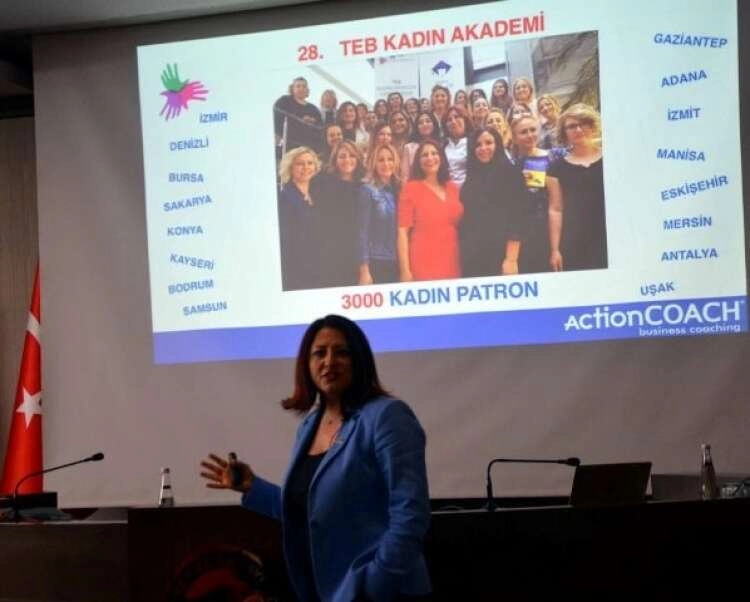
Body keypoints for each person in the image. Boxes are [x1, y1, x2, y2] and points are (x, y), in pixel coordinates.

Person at [200, 314, 431, 602]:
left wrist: (375, 583)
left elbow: (411, 513)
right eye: (319, 353)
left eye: (341, 352)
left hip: (379, 592)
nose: (329, 362)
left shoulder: (387, 416)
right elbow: (313, 512)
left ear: (359, 360)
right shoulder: (309, 426)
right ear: (306, 365)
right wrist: (252, 487)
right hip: (324, 591)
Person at [547, 103, 607, 272]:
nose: (578, 129)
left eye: (583, 123)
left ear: (592, 126)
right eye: (572, 126)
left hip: (609, 236)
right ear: (564, 132)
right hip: (575, 241)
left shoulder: (611, 157)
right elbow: (555, 209)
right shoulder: (556, 168)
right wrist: (555, 250)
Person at [460, 127, 527, 277]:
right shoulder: (472, 175)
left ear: (498, 145)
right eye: (478, 145)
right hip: (473, 254)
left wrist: (511, 259)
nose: (483, 148)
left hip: (501, 253)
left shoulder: (511, 173)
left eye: (489, 142)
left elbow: (518, 218)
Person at [398, 139, 463, 281]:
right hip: (424, 262)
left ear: (441, 157)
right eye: (424, 155)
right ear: (418, 161)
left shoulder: (452, 188)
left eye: (434, 153)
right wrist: (405, 270)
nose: (430, 158)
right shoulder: (411, 189)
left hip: (453, 260)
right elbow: (402, 232)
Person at [311, 140, 365, 286]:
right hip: (328, 252)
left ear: (358, 159)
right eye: (342, 156)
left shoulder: (363, 187)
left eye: (352, 156)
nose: (347, 160)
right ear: (335, 159)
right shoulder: (321, 183)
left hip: (354, 254)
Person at [511, 115, 555, 273]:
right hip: (528, 232)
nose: (529, 135)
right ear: (515, 138)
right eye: (523, 132)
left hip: (552, 226)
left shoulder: (554, 157)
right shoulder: (513, 166)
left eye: (532, 130)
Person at [277, 146, 323, 290]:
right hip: (297, 270)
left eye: (310, 163)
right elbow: (286, 241)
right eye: (300, 164)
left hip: (317, 266)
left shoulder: (317, 193)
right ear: (290, 168)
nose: (306, 167)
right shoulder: (285, 198)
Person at [358, 143, 401, 284]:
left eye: (390, 159)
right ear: (374, 163)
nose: (386, 164)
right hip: (376, 260)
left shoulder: (399, 189)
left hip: (398, 260)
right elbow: (362, 231)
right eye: (381, 160)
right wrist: (364, 269)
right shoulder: (367, 190)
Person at [274, 77, 323, 154]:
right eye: (298, 86)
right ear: (292, 89)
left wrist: (312, 122)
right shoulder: (284, 101)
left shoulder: (314, 109)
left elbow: (320, 129)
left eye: (304, 86)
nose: (301, 89)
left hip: (308, 148)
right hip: (289, 145)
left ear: (307, 90)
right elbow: (276, 118)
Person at [442, 106, 470, 186]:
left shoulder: (473, 143)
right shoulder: (443, 146)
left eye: (457, 117)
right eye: (449, 120)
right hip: (448, 190)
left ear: (465, 120)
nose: (453, 122)